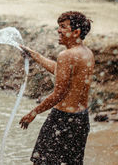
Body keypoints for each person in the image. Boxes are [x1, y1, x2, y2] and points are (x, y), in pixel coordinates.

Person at [19, 11, 94, 165]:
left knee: (42, 162)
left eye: (63, 27)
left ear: (76, 32)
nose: (58, 30)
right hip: (80, 120)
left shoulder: (66, 55)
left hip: (62, 119)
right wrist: (36, 56)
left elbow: (59, 93)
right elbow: (62, 71)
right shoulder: (86, 53)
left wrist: (33, 112)